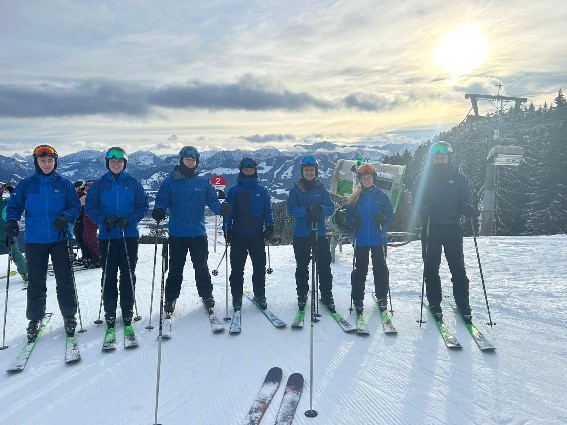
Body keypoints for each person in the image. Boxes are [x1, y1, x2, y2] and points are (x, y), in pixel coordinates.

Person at [5, 145, 80, 341]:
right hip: (35, 239)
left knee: (65, 279)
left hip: (60, 238)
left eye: (50, 160)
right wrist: (11, 220)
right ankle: (35, 319)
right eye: (42, 160)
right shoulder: (26, 185)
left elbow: (75, 207)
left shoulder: (65, 184)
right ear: (36, 162)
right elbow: (14, 205)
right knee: (36, 281)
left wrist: (66, 217)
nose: (46, 164)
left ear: (55, 162)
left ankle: (69, 315)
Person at [152, 146, 229, 314]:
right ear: (181, 161)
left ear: (196, 162)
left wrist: (220, 209)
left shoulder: (203, 182)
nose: (190, 162)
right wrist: (159, 209)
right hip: (177, 233)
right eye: (187, 159)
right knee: (175, 268)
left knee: (201, 267)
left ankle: (207, 295)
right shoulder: (170, 181)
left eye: (193, 160)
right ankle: (170, 299)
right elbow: (162, 199)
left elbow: (213, 202)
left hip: (198, 233)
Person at [85, 147, 149, 334]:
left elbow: (142, 206)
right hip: (107, 235)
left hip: (128, 235)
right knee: (109, 274)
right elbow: (91, 207)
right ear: (107, 163)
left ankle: (127, 309)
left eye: (120, 161)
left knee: (128, 274)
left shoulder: (133, 183)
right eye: (112, 161)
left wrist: (130, 220)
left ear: (124, 163)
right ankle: (110, 311)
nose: (116, 163)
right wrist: (103, 220)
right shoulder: (99, 184)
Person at [416, 141, 476, 323]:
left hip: (452, 229)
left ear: (449, 158)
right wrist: (423, 209)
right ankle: (434, 302)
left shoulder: (458, 178)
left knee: (457, 268)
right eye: (436, 157)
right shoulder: (423, 178)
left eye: (443, 157)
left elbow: (465, 199)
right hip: (430, 228)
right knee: (431, 268)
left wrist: (467, 208)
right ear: (432, 159)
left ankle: (463, 304)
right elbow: (417, 202)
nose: (439, 159)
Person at [224, 157, 274, 311]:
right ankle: (236, 298)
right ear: (241, 170)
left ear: (255, 170)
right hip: (239, 236)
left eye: (251, 169)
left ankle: (260, 295)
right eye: (246, 169)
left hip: (257, 236)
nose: (248, 171)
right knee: (237, 270)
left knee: (259, 268)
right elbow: (228, 212)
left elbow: (267, 210)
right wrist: (227, 228)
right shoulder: (234, 191)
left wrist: (270, 225)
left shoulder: (262, 190)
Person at [288, 156, 336, 312]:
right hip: (301, 234)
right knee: (302, 266)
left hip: (319, 233)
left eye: (312, 170)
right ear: (302, 172)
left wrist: (320, 209)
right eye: (306, 170)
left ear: (316, 171)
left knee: (324, 266)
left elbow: (330, 207)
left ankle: (326, 295)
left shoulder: (321, 189)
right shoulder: (295, 190)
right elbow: (292, 210)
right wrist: (307, 211)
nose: (309, 172)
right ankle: (302, 294)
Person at [345, 164, 394, 317]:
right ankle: (358, 299)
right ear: (360, 180)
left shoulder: (382, 196)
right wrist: (352, 222)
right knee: (360, 270)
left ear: (374, 179)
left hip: (377, 238)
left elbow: (390, 215)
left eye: (369, 178)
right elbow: (348, 216)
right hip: (361, 239)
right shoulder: (355, 197)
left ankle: (382, 297)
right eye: (363, 178)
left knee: (380, 269)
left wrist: (384, 219)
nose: (366, 180)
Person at [0, 182, 29, 286]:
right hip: (7, 233)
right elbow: (18, 201)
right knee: (15, 253)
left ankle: (26, 273)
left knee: (15, 253)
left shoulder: (6, 202)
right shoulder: (6, 202)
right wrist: (13, 191)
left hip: (6, 232)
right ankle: (26, 273)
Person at [80, 180, 101, 268]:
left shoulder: (94, 196)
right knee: (86, 239)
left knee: (91, 239)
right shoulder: (85, 196)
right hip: (86, 220)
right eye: (86, 186)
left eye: (88, 186)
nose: (86, 188)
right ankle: (94, 258)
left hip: (91, 220)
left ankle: (99, 258)